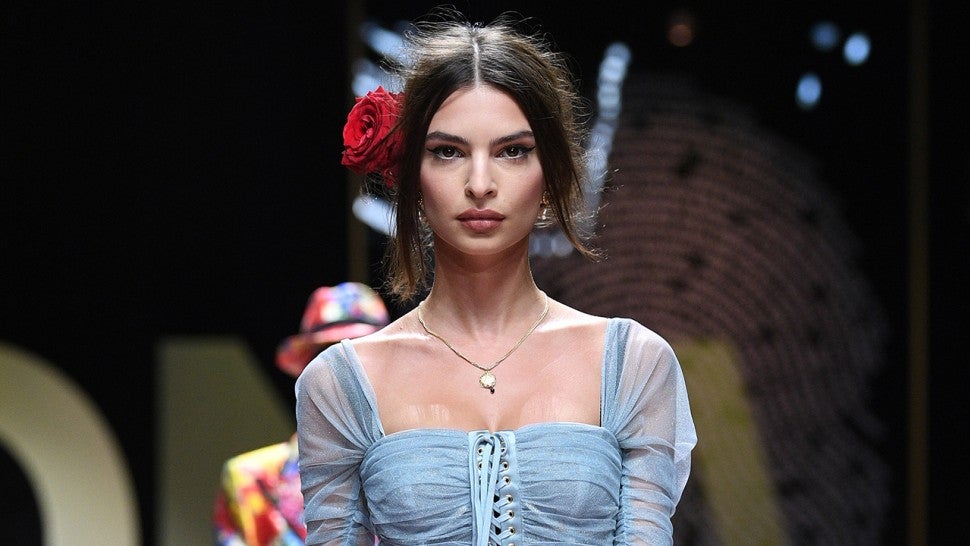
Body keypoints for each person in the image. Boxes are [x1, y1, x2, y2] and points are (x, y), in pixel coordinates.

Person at [296, 9, 696, 545]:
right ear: (411, 175)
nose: (480, 183)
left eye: (512, 151)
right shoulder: (340, 384)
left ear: (550, 174)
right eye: (448, 152)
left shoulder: (633, 364)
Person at [214, 282, 390, 546]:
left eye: (363, 356)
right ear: (306, 374)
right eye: (329, 358)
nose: (350, 373)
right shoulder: (249, 480)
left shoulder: (420, 471)